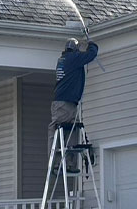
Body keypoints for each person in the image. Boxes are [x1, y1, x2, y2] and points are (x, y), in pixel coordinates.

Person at [48, 37, 99, 173]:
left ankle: (68, 164)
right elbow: (91, 55)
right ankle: (57, 164)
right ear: (75, 49)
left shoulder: (64, 59)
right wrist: (92, 44)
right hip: (64, 103)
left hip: (66, 103)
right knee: (61, 133)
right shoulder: (72, 59)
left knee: (70, 132)